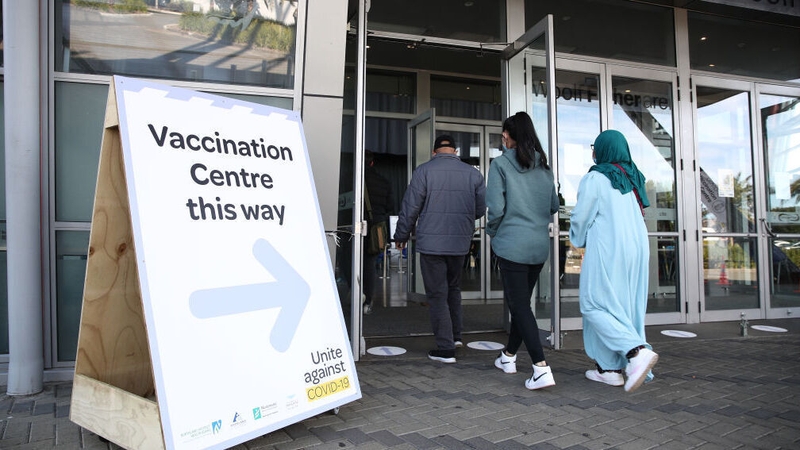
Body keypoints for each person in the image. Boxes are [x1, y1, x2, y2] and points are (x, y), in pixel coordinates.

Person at [569, 129, 659, 393]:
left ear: (604, 149)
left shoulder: (596, 177)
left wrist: (578, 238)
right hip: (637, 248)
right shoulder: (633, 177)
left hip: (609, 248)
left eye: (594, 147)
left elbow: (581, 217)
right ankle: (608, 369)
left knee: (593, 303)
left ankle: (635, 352)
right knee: (622, 305)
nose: (593, 152)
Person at [394, 134, 486, 363]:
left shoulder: (423, 171)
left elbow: (410, 207)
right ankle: (455, 336)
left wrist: (401, 235)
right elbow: (480, 210)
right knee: (453, 289)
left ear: (434, 152)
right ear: (455, 151)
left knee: (437, 294)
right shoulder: (474, 174)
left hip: (431, 245)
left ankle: (445, 349)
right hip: (460, 243)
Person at [486, 111, 558, 390]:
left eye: (505, 134)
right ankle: (508, 356)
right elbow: (553, 205)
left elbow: (496, 209)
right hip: (538, 248)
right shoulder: (544, 167)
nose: (502, 138)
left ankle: (541, 368)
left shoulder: (500, 165)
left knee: (519, 305)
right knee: (521, 305)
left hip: (512, 245)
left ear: (513, 136)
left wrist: (493, 232)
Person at [363, 150, 394, 315]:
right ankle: (367, 301)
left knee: (348, 262)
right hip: (376, 229)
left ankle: (354, 293)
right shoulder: (383, 181)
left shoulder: (349, 179)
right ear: (372, 163)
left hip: (352, 227)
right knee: (370, 265)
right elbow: (390, 207)